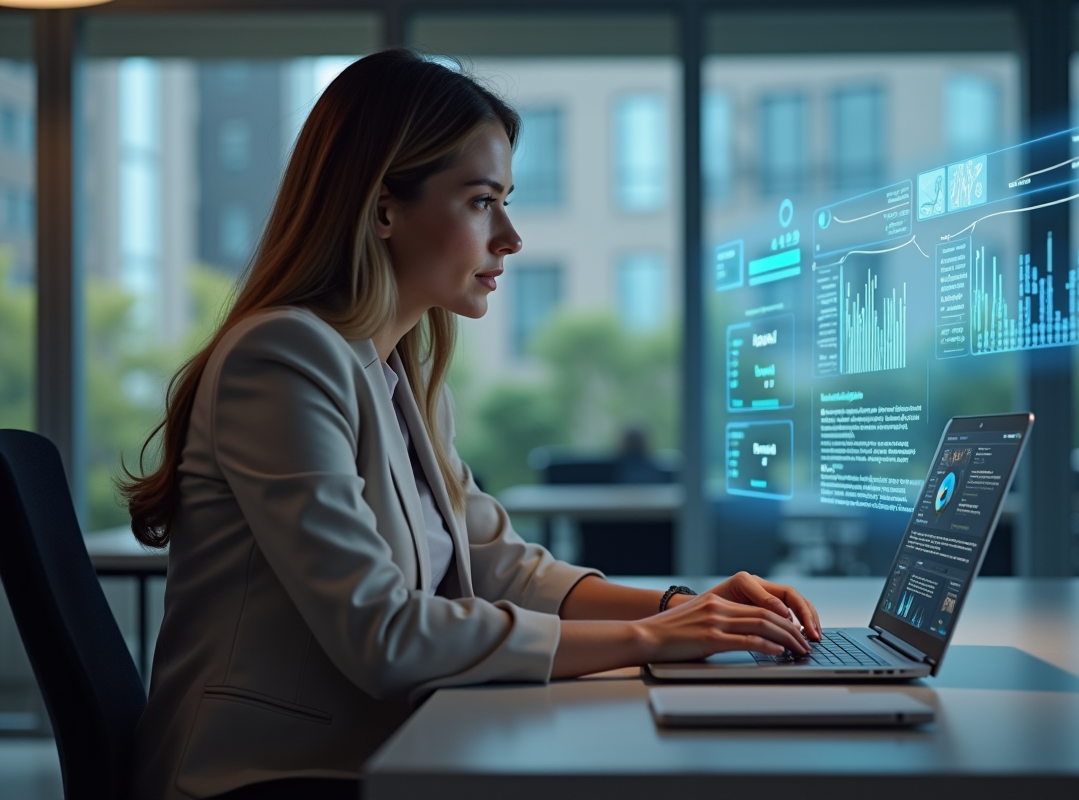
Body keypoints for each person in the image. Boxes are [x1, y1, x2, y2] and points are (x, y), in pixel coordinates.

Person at [122, 50, 821, 800]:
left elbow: (503, 568)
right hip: (263, 775)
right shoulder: (283, 358)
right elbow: (381, 635)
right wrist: (652, 641)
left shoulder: (402, 376)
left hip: (382, 747)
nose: (512, 237)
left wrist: (683, 606)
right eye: (482, 201)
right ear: (383, 208)